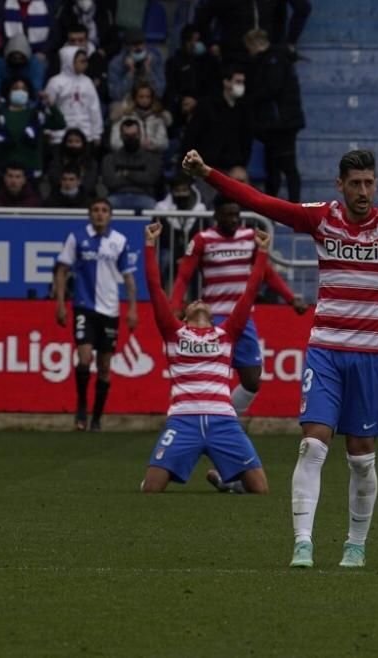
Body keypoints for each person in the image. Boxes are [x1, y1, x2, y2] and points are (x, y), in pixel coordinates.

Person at [182, 147, 378, 568]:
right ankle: (302, 543)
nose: (364, 191)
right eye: (355, 184)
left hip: (373, 356)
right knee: (311, 445)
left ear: (376, 185)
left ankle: (355, 545)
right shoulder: (321, 218)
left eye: (369, 183)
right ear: (339, 186)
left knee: (361, 457)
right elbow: (262, 203)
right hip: (326, 351)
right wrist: (208, 172)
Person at [140, 221, 271, 495]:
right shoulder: (174, 332)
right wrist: (149, 246)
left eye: (203, 300)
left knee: (260, 490)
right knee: (151, 490)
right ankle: (223, 476)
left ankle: (228, 482)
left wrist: (261, 253)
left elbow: (248, 293)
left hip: (223, 420)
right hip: (183, 420)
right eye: (193, 301)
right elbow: (154, 289)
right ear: (185, 315)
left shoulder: (227, 332)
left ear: (213, 315)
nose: (199, 299)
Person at [170, 195, 306, 416]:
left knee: (252, 381)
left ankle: (226, 419)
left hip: (242, 319)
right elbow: (184, 275)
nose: (234, 219)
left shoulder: (249, 237)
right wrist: (175, 305)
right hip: (212, 320)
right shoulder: (203, 239)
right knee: (210, 377)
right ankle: (198, 420)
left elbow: (267, 273)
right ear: (216, 216)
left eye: (237, 215)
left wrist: (291, 298)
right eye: (228, 215)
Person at [54, 198, 138, 431]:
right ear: (89, 214)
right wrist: (60, 303)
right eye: (95, 210)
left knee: (104, 365)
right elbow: (62, 270)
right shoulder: (77, 237)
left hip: (110, 309)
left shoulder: (119, 241)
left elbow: (128, 276)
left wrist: (132, 307)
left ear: (110, 215)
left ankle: (97, 418)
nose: (100, 214)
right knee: (83, 358)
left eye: (104, 211)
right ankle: (81, 409)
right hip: (84, 306)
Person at [244, 29, 305, 203]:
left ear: (255, 44)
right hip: (275, 123)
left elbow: (272, 88)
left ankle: (294, 207)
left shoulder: (274, 60)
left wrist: (248, 98)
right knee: (273, 167)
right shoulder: (270, 60)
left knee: (286, 165)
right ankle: (274, 207)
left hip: (282, 123)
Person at [181, 65, 252, 174]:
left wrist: (241, 163)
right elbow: (192, 135)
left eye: (243, 82)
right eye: (238, 81)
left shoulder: (244, 109)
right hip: (208, 165)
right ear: (226, 82)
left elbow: (246, 140)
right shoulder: (207, 106)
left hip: (233, 166)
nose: (241, 85)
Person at [44, 45, 103, 145]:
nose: (86, 64)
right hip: (60, 135)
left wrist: (97, 133)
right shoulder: (55, 82)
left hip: (85, 134)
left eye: (86, 61)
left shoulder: (87, 81)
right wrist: (48, 130)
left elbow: (94, 108)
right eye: (82, 61)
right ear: (69, 61)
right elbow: (47, 107)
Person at [102, 119, 162, 211]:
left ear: (140, 135)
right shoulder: (110, 158)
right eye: (127, 136)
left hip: (144, 197)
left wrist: (126, 174)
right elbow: (110, 182)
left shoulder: (151, 158)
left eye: (134, 135)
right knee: (102, 209)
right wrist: (139, 177)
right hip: (116, 196)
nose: (131, 139)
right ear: (121, 136)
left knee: (157, 209)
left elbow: (150, 180)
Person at [108, 80, 171, 154]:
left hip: (152, 157)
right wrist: (134, 146)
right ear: (135, 98)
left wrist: (153, 145)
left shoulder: (158, 117)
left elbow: (164, 143)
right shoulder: (124, 116)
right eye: (141, 97)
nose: (145, 100)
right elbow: (114, 143)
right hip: (128, 157)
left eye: (148, 97)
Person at [106, 27, 165, 103]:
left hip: (149, 101)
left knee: (165, 114)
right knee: (115, 110)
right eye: (134, 44)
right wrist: (130, 72)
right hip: (126, 102)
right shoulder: (116, 63)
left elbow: (159, 93)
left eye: (141, 43)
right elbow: (116, 95)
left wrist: (148, 70)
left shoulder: (155, 59)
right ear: (126, 46)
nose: (139, 47)